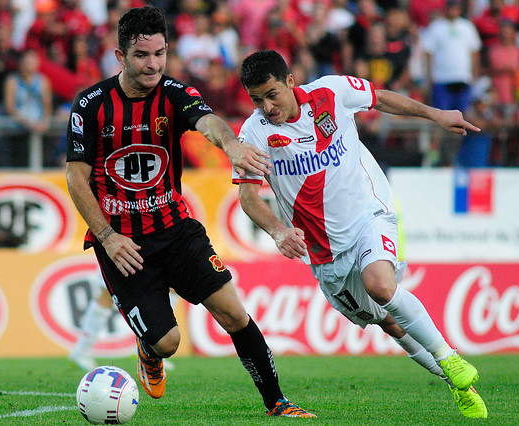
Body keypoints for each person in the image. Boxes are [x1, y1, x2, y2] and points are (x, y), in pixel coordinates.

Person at [65, 6, 315, 418]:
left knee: (234, 312)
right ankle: (149, 351)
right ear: (120, 57)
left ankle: (278, 403)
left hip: (176, 229)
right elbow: (77, 179)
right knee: (168, 343)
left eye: (160, 54)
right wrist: (108, 237)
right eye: (143, 56)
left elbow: (209, 122)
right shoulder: (90, 106)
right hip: (124, 244)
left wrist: (232, 147)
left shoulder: (174, 94)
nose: (153, 64)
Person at [234, 50, 488, 419]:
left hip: (369, 214)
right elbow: (246, 195)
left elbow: (381, 98)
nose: (267, 106)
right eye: (257, 99)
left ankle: (450, 357)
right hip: (324, 253)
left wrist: (437, 114)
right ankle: (458, 384)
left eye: (272, 94)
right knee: (389, 322)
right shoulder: (253, 133)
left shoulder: (331, 92)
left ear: (290, 81)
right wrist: (276, 230)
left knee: (381, 286)